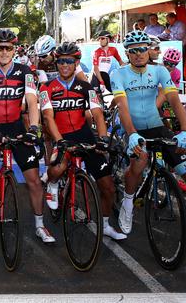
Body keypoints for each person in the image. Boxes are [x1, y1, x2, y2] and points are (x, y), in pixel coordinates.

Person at [111, 30, 186, 251]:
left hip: (158, 127)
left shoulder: (160, 71)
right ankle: (128, 202)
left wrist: (184, 131)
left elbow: (174, 99)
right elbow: (123, 106)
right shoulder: (119, 74)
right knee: (139, 161)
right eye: (133, 51)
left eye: (142, 49)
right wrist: (132, 133)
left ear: (149, 50)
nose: (138, 54)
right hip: (133, 127)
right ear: (127, 53)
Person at [39, 42, 126, 241]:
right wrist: (59, 140)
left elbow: (96, 113)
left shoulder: (87, 87)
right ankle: (52, 184)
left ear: (77, 62)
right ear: (56, 63)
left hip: (84, 134)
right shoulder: (46, 88)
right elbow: (48, 117)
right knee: (57, 169)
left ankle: (104, 225)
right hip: (60, 135)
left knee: (108, 186)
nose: (65, 65)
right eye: (61, 61)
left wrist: (103, 138)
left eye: (69, 61)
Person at [0, 29, 54, 243]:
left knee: (34, 181)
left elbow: (31, 100)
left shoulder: (25, 71)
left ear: (15, 49)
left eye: (8, 48)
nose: (4, 52)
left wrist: (35, 126)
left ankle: (40, 225)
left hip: (17, 127)